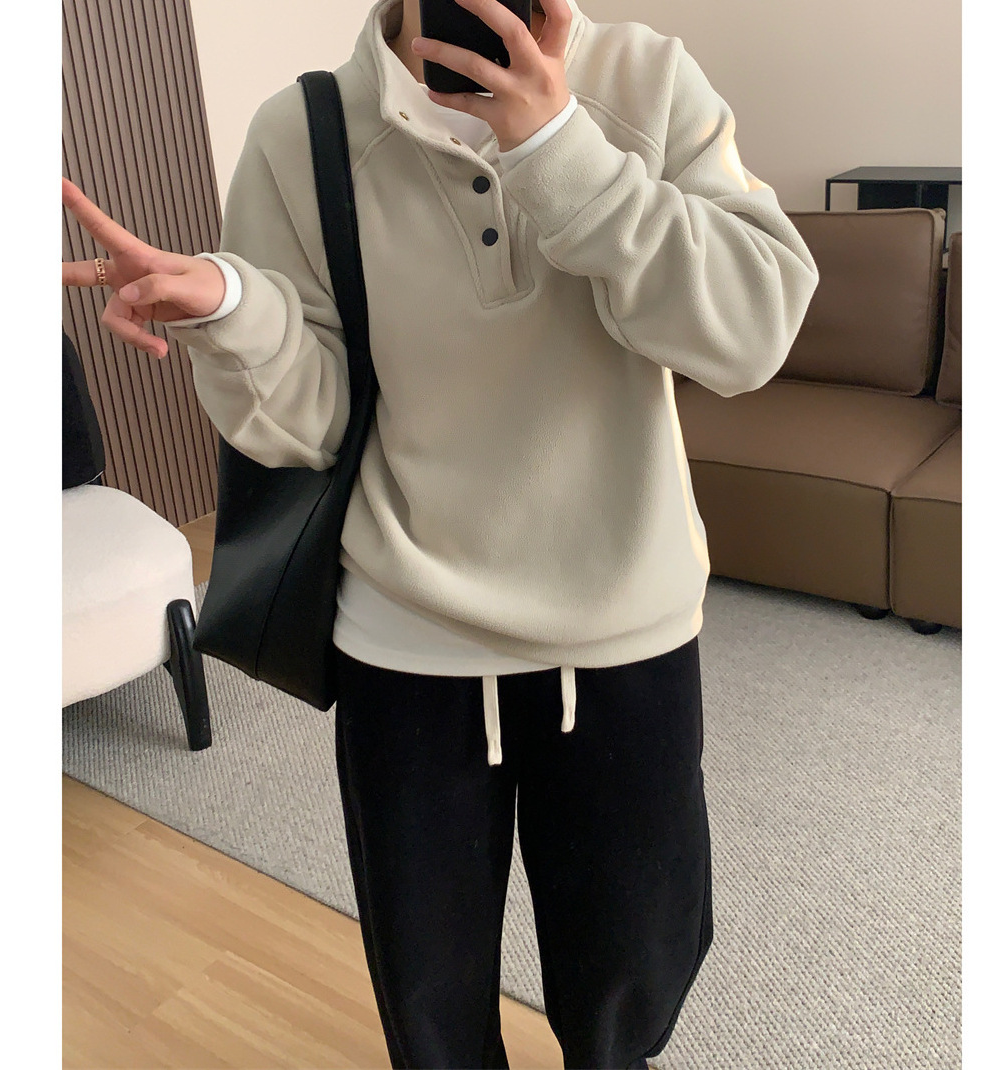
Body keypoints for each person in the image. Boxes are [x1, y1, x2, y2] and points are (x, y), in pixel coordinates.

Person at [62, 1, 819, 1066]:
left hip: (622, 631)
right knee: (429, 1003)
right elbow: (315, 419)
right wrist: (233, 312)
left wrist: (562, 150)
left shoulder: (646, 81)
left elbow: (754, 330)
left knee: (632, 981)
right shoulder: (303, 134)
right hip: (404, 644)